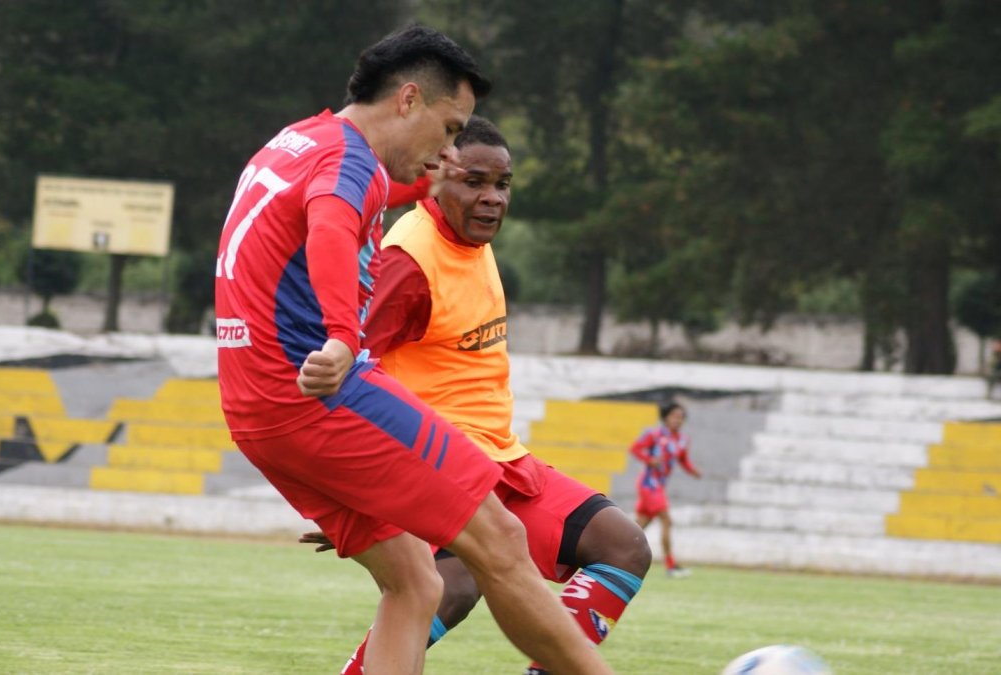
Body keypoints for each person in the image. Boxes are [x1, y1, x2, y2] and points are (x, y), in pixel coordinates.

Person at [213, 25, 612, 675]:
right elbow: (334, 227)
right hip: (320, 394)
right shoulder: (344, 163)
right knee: (501, 539)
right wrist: (344, 334)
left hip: (257, 407)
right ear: (407, 101)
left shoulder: (297, 142)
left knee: (416, 581)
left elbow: (348, 197)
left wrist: (421, 186)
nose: (450, 146)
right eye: (451, 128)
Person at [307, 116, 650, 675]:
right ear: (436, 178)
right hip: (439, 466)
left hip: (503, 461)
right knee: (452, 586)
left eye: (502, 184)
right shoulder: (408, 262)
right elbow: (348, 367)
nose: (492, 198)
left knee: (622, 547)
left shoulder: (473, 239)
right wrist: (353, 491)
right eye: (474, 182)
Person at [630, 402, 701, 577]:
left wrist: (693, 471)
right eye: (674, 416)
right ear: (666, 417)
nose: (677, 420)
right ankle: (670, 565)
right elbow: (635, 449)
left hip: (659, 486)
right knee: (667, 520)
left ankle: (614, 554)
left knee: (638, 527)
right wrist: (650, 459)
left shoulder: (683, 440)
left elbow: (683, 460)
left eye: (681, 417)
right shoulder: (654, 435)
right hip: (649, 485)